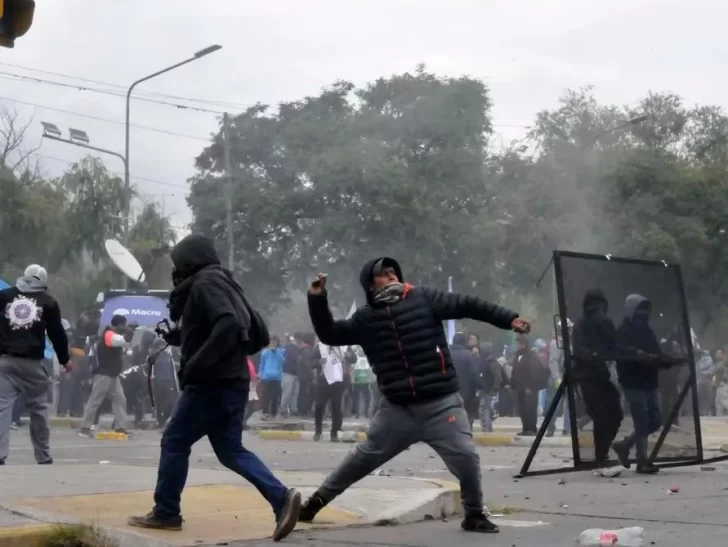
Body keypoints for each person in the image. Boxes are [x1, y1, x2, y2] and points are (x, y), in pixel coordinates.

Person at [299, 257, 531, 534]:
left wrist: (508, 318)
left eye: (393, 271)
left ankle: (474, 514)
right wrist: (317, 298)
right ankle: (313, 505)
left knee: (467, 458)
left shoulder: (423, 299)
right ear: (370, 286)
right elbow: (329, 334)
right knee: (360, 460)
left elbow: (467, 304)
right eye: (383, 274)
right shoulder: (365, 319)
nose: (392, 275)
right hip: (397, 410)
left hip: (442, 405)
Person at [127, 234, 301, 541]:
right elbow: (219, 326)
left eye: (178, 263)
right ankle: (282, 499)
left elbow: (229, 325)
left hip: (211, 383)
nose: (176, 270)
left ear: (189, 261)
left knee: (175, 442)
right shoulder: (225, 283)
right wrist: (178, 337)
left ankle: (166, 513)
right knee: (230, 450)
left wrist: (196, 364)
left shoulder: (205, 283)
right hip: (232, 381)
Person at [0, 264, 71, 465]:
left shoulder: (4, 297)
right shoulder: (48, 302)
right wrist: (65, 360)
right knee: (38, 409)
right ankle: (43, 455)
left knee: (2, 409)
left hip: (4, 363)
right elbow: (57, 334)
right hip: (33, 364)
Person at [611, 295, 666, 475]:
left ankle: (625, 444)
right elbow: (619, 349)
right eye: (639, 310)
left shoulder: (647, 331)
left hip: (650, 381)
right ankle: (642, 461)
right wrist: (637, 353)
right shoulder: (622, 331)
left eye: (645, 311)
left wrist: (666, 359)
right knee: (642, 421)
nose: (643, 314)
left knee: (655, 420)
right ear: (631, 310)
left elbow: (656, 352)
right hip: (633, 382)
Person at [571, 289, 623, 467]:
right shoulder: (580, 325)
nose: (599, 312)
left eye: (602, 308)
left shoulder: (607, 324)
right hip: (586, 377)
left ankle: (604, 449)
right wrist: (591, 355)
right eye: (595, 309)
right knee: (600, 416)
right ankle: (600, 456)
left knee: (616, 414)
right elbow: (579, 349)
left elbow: (615, 345)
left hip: (602, 376)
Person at [78, 314, 134, 438]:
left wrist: (128, 333)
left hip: (113, 374)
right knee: (95, 400)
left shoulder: (113, 334)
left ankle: (120, 427)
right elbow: (121, 341)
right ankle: (84, 428)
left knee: (120, 400)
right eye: (123, 324)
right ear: (118, 325)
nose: (124, 327)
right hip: (103, 374)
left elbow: (125, 344)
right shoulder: (108, 334)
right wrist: (128, 333)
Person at [510, 335, 547, 436]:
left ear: (525, 345)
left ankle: (532, 429)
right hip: (519, 388)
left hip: (529, 388)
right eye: (517, 344)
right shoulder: (517, 356)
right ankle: (525, 428)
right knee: (522, 409)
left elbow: (535, 372)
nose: (518, 346)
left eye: (520, 344)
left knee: (530, 408)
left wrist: (530, 387)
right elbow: (515, 371)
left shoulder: (532, 356)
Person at [313, 341, 345, 441]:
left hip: (337, 381)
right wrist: (318, 362)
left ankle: (334, 433)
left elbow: (353, 359)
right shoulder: (319, 346)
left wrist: (348, 354)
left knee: (336, 408)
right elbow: (311, 362)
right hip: (323, 380)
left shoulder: (342, 345)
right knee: (319, 406)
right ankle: (318, 431)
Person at [449, 333, 480, 428]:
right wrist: (480, 386)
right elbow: (474, 373)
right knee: (466, 415)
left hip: (449, 392)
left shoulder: (446, 354)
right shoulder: (468, 355)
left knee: (451, 414)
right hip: (467, 392)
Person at [150, 338, 179, 429]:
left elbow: (173, 370)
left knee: (170, 402)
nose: (163, 347)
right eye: (161, 345)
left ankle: (164, 419)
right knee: (159, 403)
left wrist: (175, 384)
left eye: (164, 345)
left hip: (169, 382)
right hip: (157, 382)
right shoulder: (153, 357)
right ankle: (159, 422)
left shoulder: (169, 356)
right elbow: (149, 371)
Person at [259, 337, 286, 419]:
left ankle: (274, 413)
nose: (273, 344)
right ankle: (265, 412)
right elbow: (262, 364)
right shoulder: (265, 352)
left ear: (277, 343)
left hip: (277, 378)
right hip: (266, 377)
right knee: (265, 396)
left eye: (275, 342)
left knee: (275, 396)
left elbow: (283, 361)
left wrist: (276, 352)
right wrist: (261, 374)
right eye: (271, 342)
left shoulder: (281, 351)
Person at [280, 336, 300, 417]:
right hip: (288, 373)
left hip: (292, 373)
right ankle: (285, 410)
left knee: (293, 392)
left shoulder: (291, 348)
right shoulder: (288, 348)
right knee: (289, 392)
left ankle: (292, 409)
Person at [350, 347, 371, 418]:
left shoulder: (368, 356)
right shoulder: (355, 356)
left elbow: (370, 368)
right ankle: (356, 413)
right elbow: (352, 368)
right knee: (356, 398)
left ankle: (366, 412)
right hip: (357, 381)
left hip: (366, 380)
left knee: (367, 397)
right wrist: (352, 380)